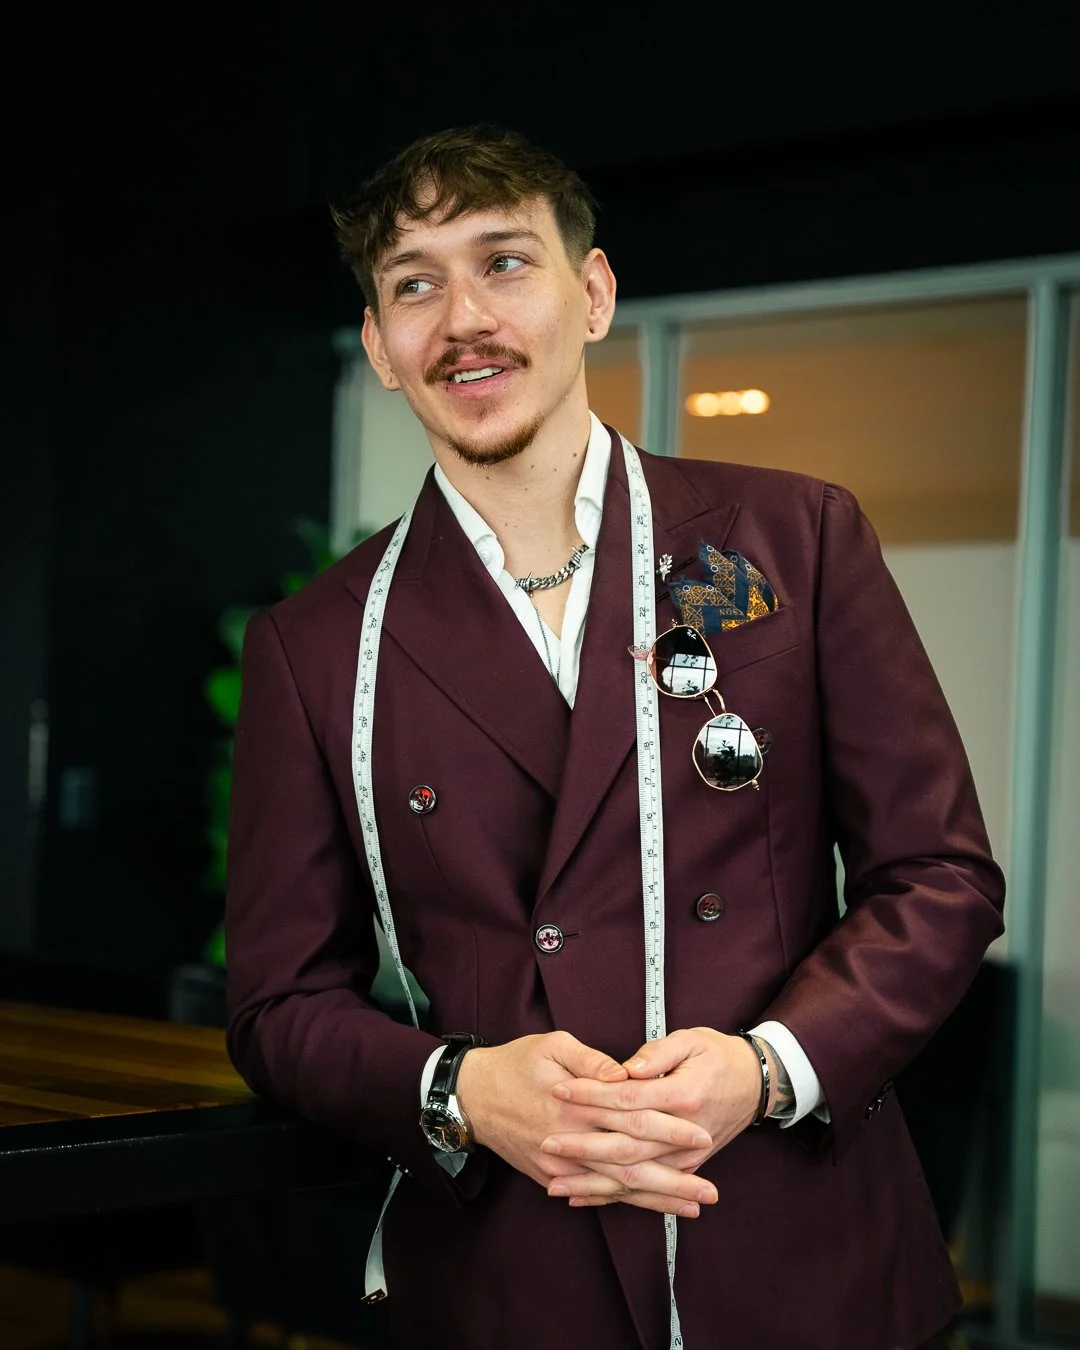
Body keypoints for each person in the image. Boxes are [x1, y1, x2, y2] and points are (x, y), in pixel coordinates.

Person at [225, 126, 1005, 1350]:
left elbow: (940, 875)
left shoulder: (785, 541)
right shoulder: (321, 645)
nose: (463, 317)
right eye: (415, 284)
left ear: (592, 295)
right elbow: (276, 1004)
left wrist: (767, 1068)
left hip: (804, 1259)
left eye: (505, 263)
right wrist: (460, 1088)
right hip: (510, 1280)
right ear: (381, 347)